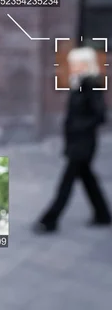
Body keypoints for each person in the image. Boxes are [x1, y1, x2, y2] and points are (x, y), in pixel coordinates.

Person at [34, 47, 111, 233]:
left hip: (83, 143)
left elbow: (100, 116)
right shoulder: (79, 83)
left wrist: (77, 127)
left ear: (86, 64)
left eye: (76, 64)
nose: (72, 67)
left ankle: (49, 220)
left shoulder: (91, 85)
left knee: (66, 183)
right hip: (76, 142)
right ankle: (103, 215)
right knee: (87, 179)